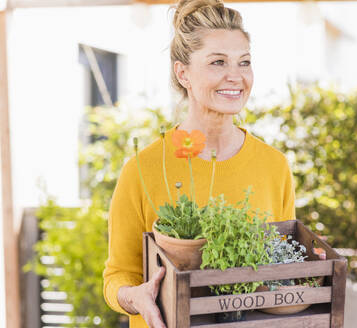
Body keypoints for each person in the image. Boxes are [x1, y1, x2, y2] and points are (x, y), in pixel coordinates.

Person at [103, 0, 297, 327]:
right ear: (183, 73)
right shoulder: (143, 169)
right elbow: (118, 275)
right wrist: (134, 296)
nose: (235, 76)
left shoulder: (274, 166)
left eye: (244, 62)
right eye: (218, 62)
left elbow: (280, 271)